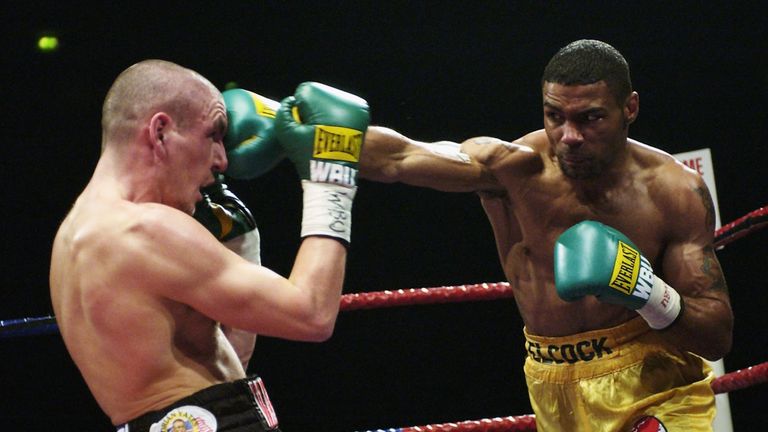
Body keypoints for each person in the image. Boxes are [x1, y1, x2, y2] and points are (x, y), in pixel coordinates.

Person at [353, 40, 733, 430]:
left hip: (659, 383)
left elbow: (716, 335)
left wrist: (649, 293)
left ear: (629, 108)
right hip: (553, 384)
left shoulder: (674, 191)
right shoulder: (512, 169)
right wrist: (323, 137)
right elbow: (399, 158)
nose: (569, 135)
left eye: (590, 118)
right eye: (555, 116)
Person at [49, 60, 369, 431]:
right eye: (213, 135)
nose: (222, 160)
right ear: (161, 131)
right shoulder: (145, 231)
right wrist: (332, 179)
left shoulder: (71, 236)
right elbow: (311, 314)